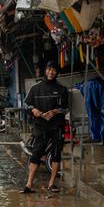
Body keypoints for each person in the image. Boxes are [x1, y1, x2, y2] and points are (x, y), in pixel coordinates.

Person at [23, 61, 69, 194]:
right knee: (37, 153)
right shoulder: (35, 88)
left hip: (57, 126)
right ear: (45, 70)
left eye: (54, 70)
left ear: (57, 72)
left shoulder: (62, 89)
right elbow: (26, 104)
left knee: (56, 153)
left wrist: (55, 111)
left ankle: (51, 184)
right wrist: (34, 110)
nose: (51, 72)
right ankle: (29, 184)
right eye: (49, 69)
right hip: (41, 126)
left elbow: (66, 108)